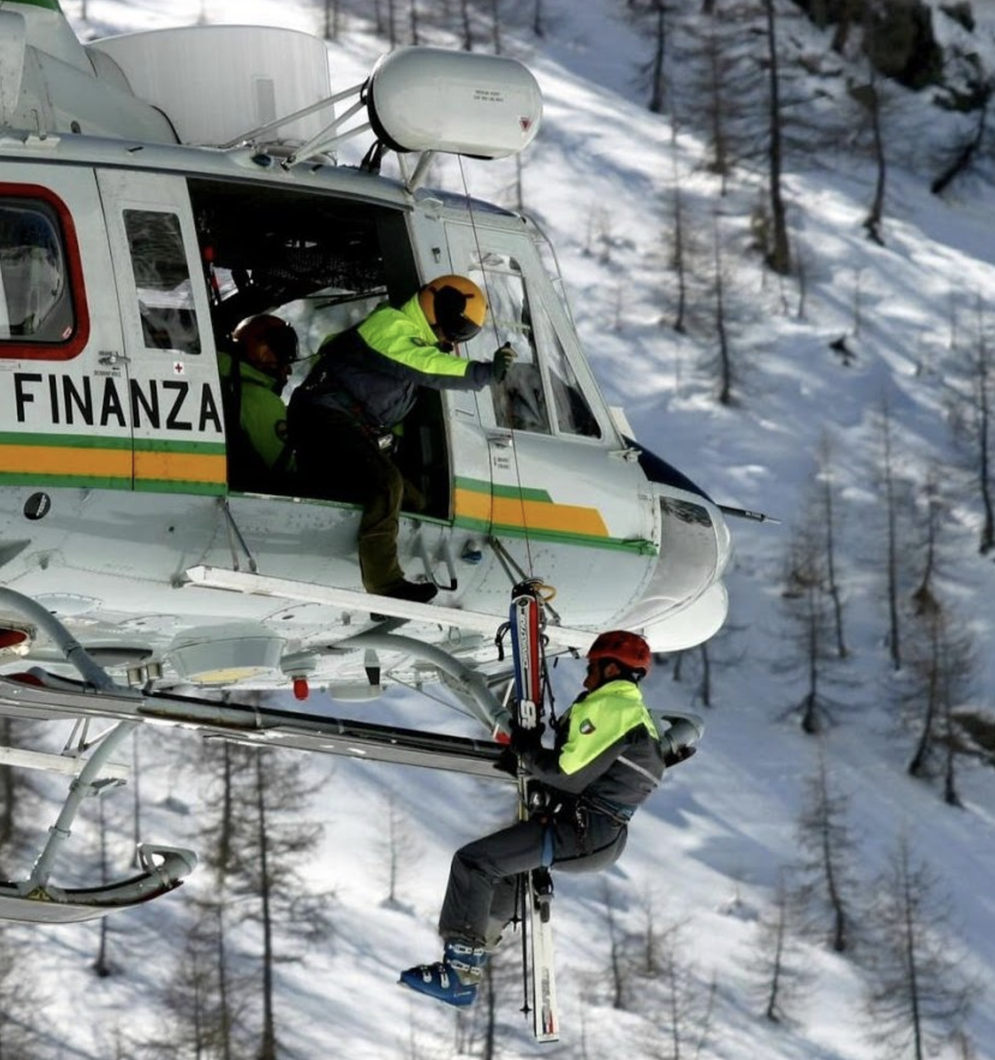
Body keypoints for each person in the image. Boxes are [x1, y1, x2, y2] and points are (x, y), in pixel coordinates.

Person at [398, 630, 696, 1007]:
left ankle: (460, 972)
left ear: (610, 669)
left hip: (581, 832)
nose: (586, 676)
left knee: (474, 863)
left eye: (591, 667)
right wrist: (531, 762)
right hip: (594, 832)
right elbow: (594, 774)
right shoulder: (635, 714)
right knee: (499, 869)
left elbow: (566, 773)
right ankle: (471, 954)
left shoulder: (611, 709)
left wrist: (528, 753)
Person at [287, 275, 514, 602]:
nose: (452, 336)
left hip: (348, 427)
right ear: (436, 307)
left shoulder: (414, 344)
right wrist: (482, 373)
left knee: (414, 502)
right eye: (455, 326)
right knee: (386, 484)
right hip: (321, 417)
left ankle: (386, 572)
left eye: (464, 332)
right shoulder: (390, 325)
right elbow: (425, 366)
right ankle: (385, 587)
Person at [218, 314, 300, 492]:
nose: (289, 368)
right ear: (262, 352)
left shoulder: (221, 383)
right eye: (284, 351)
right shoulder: (260, 400)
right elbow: (287, 469)